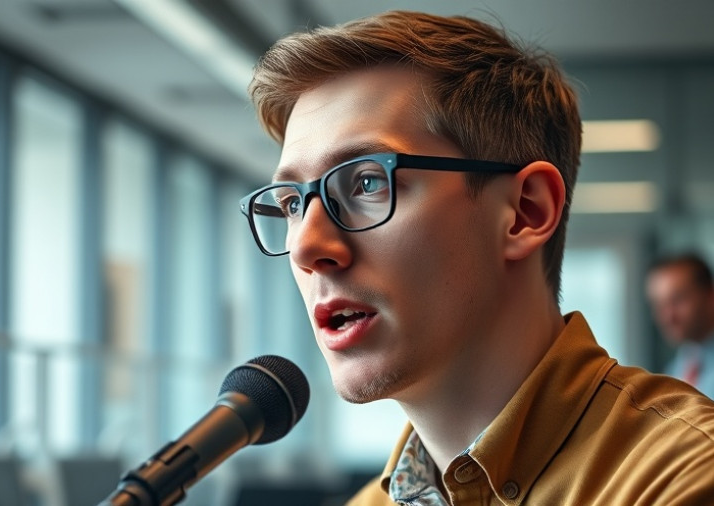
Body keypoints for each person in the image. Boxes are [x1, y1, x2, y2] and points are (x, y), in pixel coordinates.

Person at [240, 10, 714, 505]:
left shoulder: (683, 477)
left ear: (525, 212)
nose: (307, 247)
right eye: (293, 204)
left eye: (366, 183)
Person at [646, 253, 714, 397]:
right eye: (659, 305)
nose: (668, 317)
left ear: (710, 295)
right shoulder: (675, 371)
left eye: (678, 300)